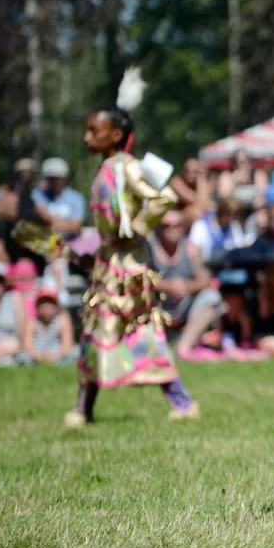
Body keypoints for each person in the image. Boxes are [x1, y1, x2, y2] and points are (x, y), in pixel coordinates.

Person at [64, 105, 198, 428]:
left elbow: (163, 197)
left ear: (115, 135)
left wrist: (137, 228)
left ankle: (180, 401)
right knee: (98, 330)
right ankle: (84, 408)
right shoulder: (106, 169)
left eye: (93, 131)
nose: (86, 138)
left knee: (139, 330)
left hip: (128, 269)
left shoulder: (131, 168)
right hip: (108, 264)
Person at [150, 210, 223, 357]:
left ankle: (183, 348)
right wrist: (167, 286)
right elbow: (137, 279)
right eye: (167, 225)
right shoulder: (149, 247)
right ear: (159, 227)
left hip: (184, 307)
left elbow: (205, 279)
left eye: (177, 225)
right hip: (156, 307)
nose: (173, 229)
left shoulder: (190, 247)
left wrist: (185, 286)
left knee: (211, 297)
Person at [32, 157, 87, 239]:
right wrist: (66, 224)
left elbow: (75, 227)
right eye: (52, 179)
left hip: (69, 245)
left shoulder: (76, 198)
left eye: (58, 178)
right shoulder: (38, 194)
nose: (55, 182)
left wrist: (50, 221)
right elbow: (39, 214)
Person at [22, 288, 77, 365]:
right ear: (37, 306)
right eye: (43, 303)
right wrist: (39, 357)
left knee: (75, 353)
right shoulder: (32, 322)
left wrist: (52, 357)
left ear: (56, 306)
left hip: (58, 354)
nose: (46, 307)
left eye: (49, 303)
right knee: (23, 356)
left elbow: (67, 346)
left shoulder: (62, 320)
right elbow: (27, 346)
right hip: (36, 355)